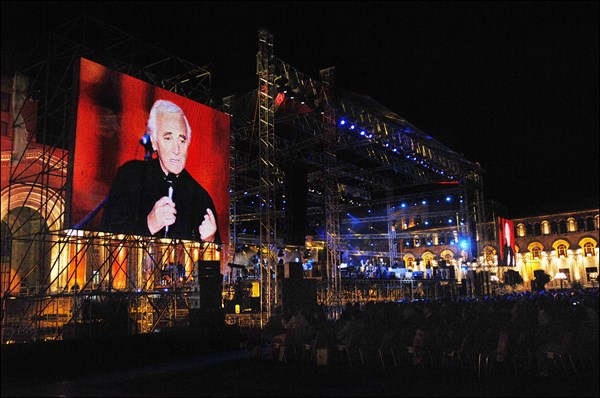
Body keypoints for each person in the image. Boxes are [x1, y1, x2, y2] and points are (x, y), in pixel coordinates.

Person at [100, 99, 220, 243]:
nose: (176, 150)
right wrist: (149, 224)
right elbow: (105, 238)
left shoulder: (201, 198)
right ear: (154, 142)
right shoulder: (129, 176)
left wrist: (210, 241)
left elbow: (216, 260)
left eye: (182, 140)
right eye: (168, 138)